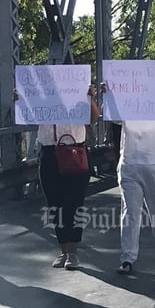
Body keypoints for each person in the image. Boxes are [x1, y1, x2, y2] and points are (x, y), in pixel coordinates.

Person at [103, 78, 155, 274]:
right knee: (130, 212)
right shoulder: (126, 101)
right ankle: (128, 258)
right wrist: (108, 95)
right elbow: (112, 116)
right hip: (130, 162)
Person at [19, 84, 100, 270]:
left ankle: (73, 252)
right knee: (55, 204)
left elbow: (93, 118)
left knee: (74, 203)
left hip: (75, 152)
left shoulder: (78, 96)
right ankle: (63, 250)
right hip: (49, 154)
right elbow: (25, 117)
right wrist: (21, 101)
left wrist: (90, 98)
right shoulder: (41, 98)